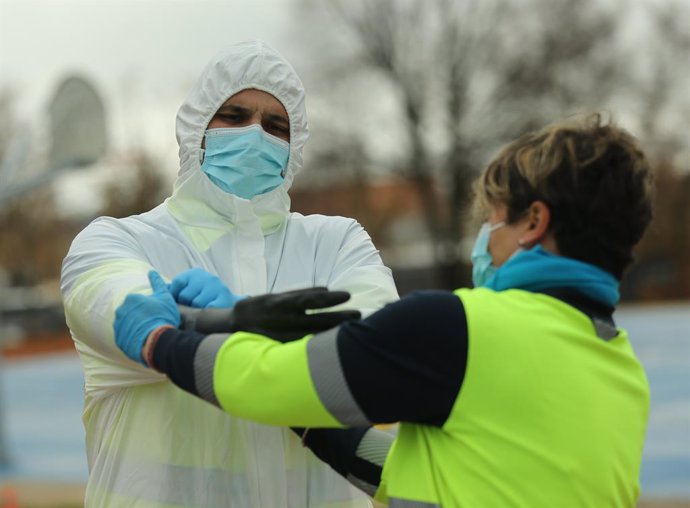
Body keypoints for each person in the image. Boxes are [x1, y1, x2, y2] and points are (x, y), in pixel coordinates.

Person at [114, 114, 653, 507]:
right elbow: (436, 475)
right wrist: (310, 424)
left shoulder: (456, 329)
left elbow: (263, 382)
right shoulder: (622, 371)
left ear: (534, 222)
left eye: (493, 219)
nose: (484, 238)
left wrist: (160, 341)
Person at [61, 40, 398, 507]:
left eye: (276, 125)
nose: (256, 134)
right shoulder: (119, 242)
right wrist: (225, 327)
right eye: (235, 117)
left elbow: (375, 350)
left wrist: (224, 328)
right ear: (197, 128)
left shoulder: (335, 242)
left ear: (293, 144)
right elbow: (120, 310)